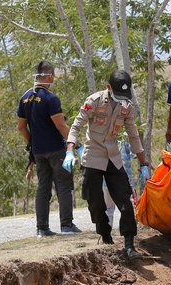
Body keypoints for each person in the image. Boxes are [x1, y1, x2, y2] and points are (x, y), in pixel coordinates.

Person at [62, 69, 150, 259]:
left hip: (113, 156)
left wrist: (144, 164)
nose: (121, 99)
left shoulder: (127, 107)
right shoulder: (93, 101)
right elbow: (76, 126)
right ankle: (105, 235)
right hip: (93, 156)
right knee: (96, 204)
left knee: (126, 201)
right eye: (117, 95)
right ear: (108, 87)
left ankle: (129, 245)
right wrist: (70, 150)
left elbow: (134, 136)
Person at [17, 61, 82, 237]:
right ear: (50, 76)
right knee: (64, 186)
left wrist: (33, 142)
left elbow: (21, 127)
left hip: (38, 152)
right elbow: (61, 126)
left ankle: (42, 229)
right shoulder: (51, 99)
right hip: (56, 149)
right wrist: (76, 143)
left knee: (43, 188)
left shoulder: (25, 98)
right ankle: (67, 226)